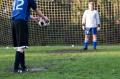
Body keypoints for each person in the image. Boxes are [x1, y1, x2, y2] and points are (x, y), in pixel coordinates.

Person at [11, 0, 48, 73]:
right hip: (21, 22)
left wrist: (33, 18)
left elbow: (20, 11)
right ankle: (16, 68)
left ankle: (23, 67)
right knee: (21, 47)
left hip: (14, 22)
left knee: (21, 46)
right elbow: (36, 10)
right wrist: (44, 17)